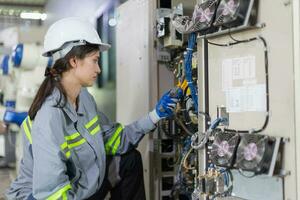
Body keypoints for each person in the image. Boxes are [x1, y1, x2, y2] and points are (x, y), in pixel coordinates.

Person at [6, 17, 182, 200]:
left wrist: (155, 115)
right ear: (74, 61)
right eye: (95, 60)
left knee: (129, 160)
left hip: (77, 184)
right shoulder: (49, 115)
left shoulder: (84, 99)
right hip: (45, 196)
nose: (98, 69)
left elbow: (114, 140)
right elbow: (52, 193)